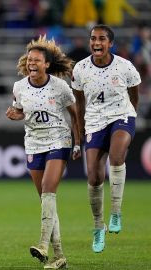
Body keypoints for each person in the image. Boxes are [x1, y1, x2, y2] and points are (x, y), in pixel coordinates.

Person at [6, 36, 81, 269]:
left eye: (37, 60)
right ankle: (59, 257)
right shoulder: (19, 87)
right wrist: (14, 115)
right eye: (30, 60)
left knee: (49, 190)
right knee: (46, 200)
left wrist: (77, 142)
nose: (32, 63)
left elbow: (75, 114)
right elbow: (21, 112)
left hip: (59, 140)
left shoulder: (59, 87)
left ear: (47, 64)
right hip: (34, 143)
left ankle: (43, 245)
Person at [72, 24, 141, 253]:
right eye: (93, 39)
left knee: (117, 156)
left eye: (102, 39)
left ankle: (116, 212)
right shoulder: (80, 69)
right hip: (94, 121)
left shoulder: (125, 66)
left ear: (110, 43)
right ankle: (98, 227)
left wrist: (131, 115)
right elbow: (79, 102)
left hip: (122, 115)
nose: (96, 43)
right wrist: (79, 130)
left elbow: (134, 93)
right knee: (94, 177)